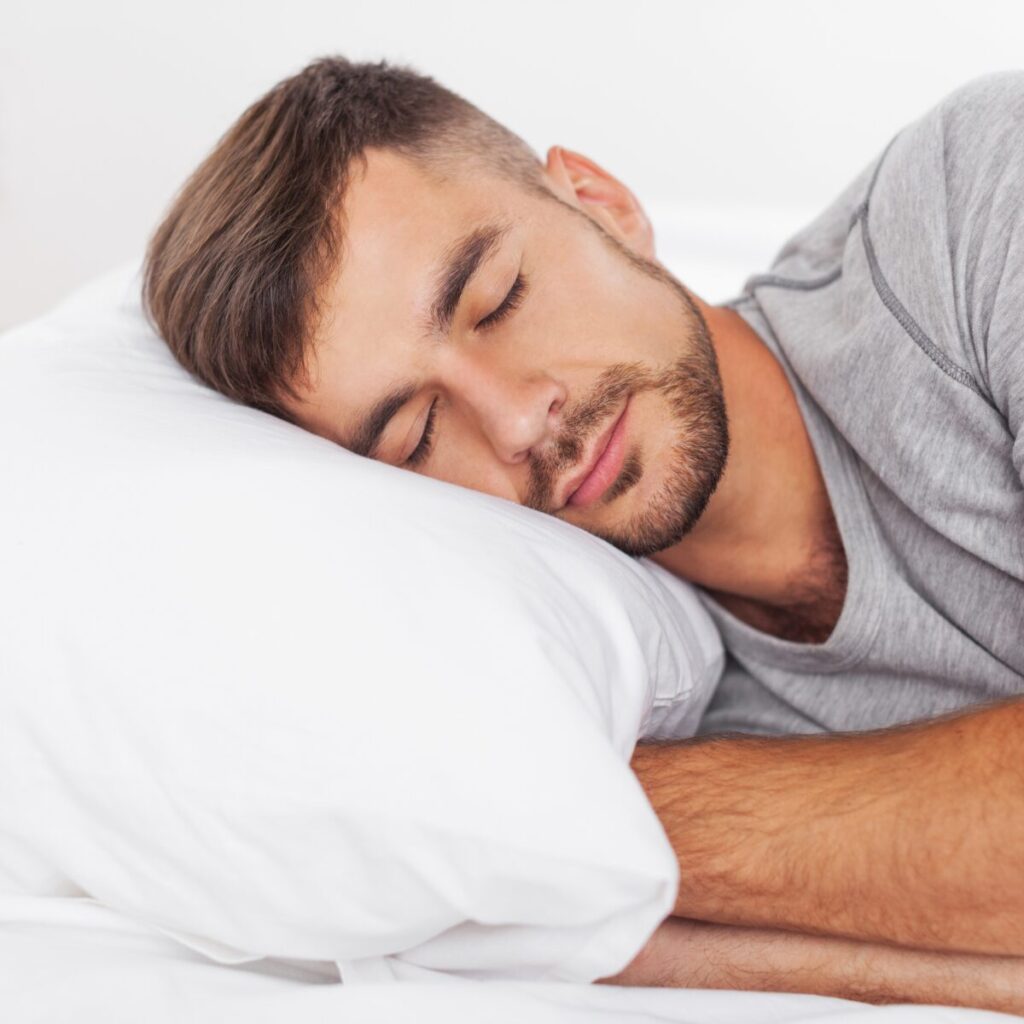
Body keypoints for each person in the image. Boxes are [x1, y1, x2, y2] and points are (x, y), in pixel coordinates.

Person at [142, 57, 1024, 1011]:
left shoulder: (976, 202)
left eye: (498, 299)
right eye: (418, 436)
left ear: (600, 203)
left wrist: (579, 824)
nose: (519, 421)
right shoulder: (635, 698)